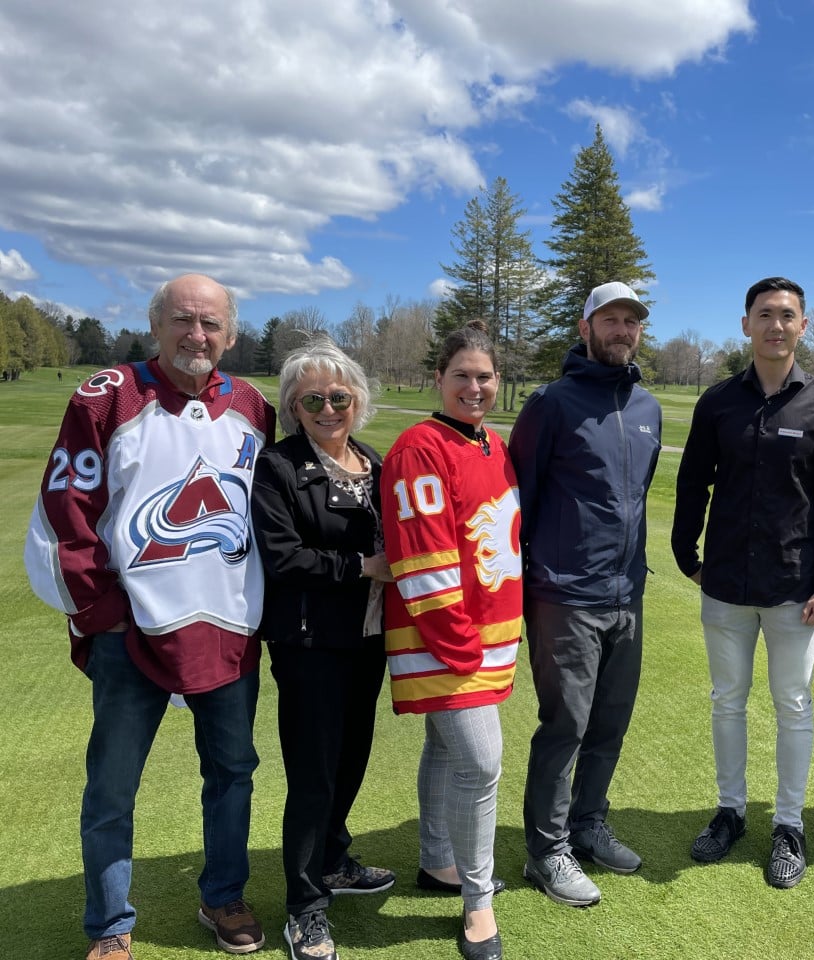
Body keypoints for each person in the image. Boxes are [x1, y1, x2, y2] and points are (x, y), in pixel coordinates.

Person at [24, 274, 275, 959]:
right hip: (129, 629)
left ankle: (222, 896)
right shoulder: (107, 396)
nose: (198, 335)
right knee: (112, 784)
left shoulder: (253, 403)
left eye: (211, 324)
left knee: (232, 773)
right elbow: (64, 510)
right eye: (183, 321)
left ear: (231, 332)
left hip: (227, 632)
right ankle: (110, 925)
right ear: (157, 323)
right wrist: (100, 610)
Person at [672, 276, 814, 889]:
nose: (775, 325)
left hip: (794, 589)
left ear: (802, 326)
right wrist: (684, 553)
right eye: (764, 315)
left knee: (793, 705)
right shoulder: (718, 401)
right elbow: (693, 482)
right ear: (746, 323)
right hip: (724, 582)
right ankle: (730, 812)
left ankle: (787, 826)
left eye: (787, 316)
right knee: (727, 701)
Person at [510, 281, 662, 907]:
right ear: (586, 327)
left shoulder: (648, 406)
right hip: (565, 595)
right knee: (565, 725)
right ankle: (546, 852)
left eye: (631, 321)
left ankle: (587, 823)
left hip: (628, 593)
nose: (622, 330)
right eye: (611, 320)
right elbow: (520, 500)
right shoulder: (551, 403)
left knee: (609, 723)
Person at [250, 339, 396, 960]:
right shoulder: (280, 466)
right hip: (310, 643)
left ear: (358, 400)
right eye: (313, 399)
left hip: (369, 640)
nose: (328, 408)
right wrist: (364, 565)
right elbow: (282, 558)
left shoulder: (376, 463)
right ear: (294, 406)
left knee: (351, 759)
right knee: (313, 775)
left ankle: (333, 859)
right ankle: (305, 907)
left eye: (340, 396)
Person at [382, 322, 522, 960]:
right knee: (481, 764)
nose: (474, 386)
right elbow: (423, 557)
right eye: (461, 375)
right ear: (438, 379)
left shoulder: (493, 443)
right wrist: (455, 641)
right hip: (446, 640)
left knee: (446, 752)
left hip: (486, 635)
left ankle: (437, 860)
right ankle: (478, 903)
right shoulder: (420, 446)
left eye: (484, 376)